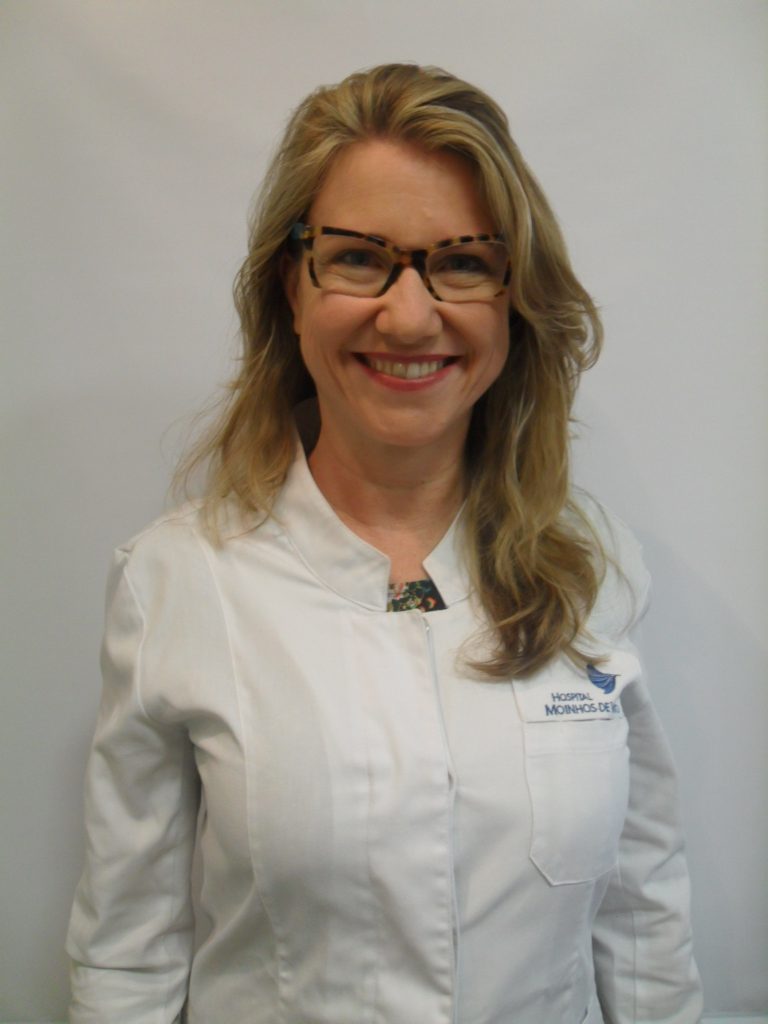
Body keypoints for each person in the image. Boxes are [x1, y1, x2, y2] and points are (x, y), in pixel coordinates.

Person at [66, 63, 703, 1023]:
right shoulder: (177, 582)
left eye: (464, 262)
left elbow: (643, 914)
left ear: (514, 297)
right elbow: (128, 959)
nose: (409, 316)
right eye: (359, 258)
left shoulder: (594, 567)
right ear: (292, 286)